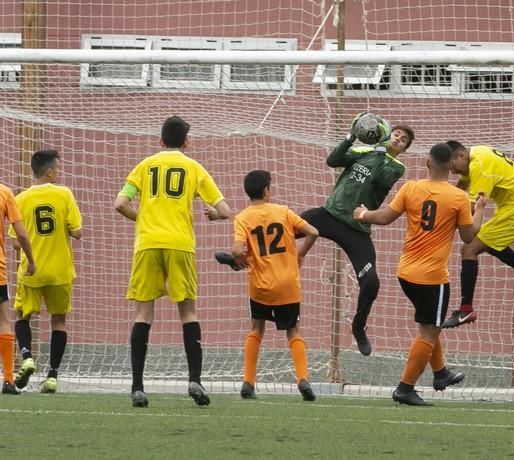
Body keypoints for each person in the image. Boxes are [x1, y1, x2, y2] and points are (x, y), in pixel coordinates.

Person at [354, 143, 485, 406]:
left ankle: (440, 373)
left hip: (406, 273)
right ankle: (405, 388)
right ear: (451, 166)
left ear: (427, 163)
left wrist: (363, 213)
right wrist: (480, 209)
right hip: (433, 277)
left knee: (429, 324)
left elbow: (386, 217)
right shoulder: (458, 198)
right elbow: (469, 237)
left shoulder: (411, 187)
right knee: (429, 332)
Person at [114, 115, 232, 408]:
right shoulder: (193, 167)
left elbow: (119, 204)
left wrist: (142, 219)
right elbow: (225, 210)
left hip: (147, 245)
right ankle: (195, 380)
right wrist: (215, 215)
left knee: (143, 315)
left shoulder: (144, 165)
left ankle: (138, 388)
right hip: (180, 245)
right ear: (186, 142)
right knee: (188, 313)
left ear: (160, 140)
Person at [302, 113, 414, 356]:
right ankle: (244, 254)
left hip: (357, 228)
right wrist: (351, 136)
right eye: (396, 134)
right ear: (387, 133)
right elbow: (333, 160)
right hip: (330, 214)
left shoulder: (395, 166)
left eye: (403, 140)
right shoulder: (365, 152)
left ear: (404, 149)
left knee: (371, 281)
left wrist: (379, 150)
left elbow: (378, 179)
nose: (398, 139)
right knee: (283, 227)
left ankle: (358, 326)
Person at [228, 170, 319, 401]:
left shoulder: (242, 218)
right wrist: (300, 255)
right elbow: (313, 232)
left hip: (261, 286)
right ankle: (303, 380)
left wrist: (241, 260)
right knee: (293, 331)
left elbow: (237, 250)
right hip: (288, 283)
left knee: (257, 329)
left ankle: (248, 382)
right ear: (266, 190)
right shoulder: (283, 212)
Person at [441, 141, 514, 328]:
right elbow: (462, 184)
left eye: (452, 167)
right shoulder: (476, 154)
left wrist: (444, 220)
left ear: (461, 157)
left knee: (469, 250)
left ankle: (466, 310)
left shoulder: (479, 165)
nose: (453, 172)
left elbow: (472, 207)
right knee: (489, 245)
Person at [10, 150, 82, 394]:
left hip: (32, 270)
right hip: (60, 271)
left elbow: (15, 241)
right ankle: (52, 376)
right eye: (58, 169)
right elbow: (78, 232)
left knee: (22, 315)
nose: (59, 173)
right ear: (50, 171)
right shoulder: (64, 194)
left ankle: (28, 356)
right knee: (59, 321)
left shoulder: (21, 199)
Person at [0, 184, 35, 395]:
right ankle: (8, 380)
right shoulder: (4, 192)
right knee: (3, 321)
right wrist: (31, 260)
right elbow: (21, 233)